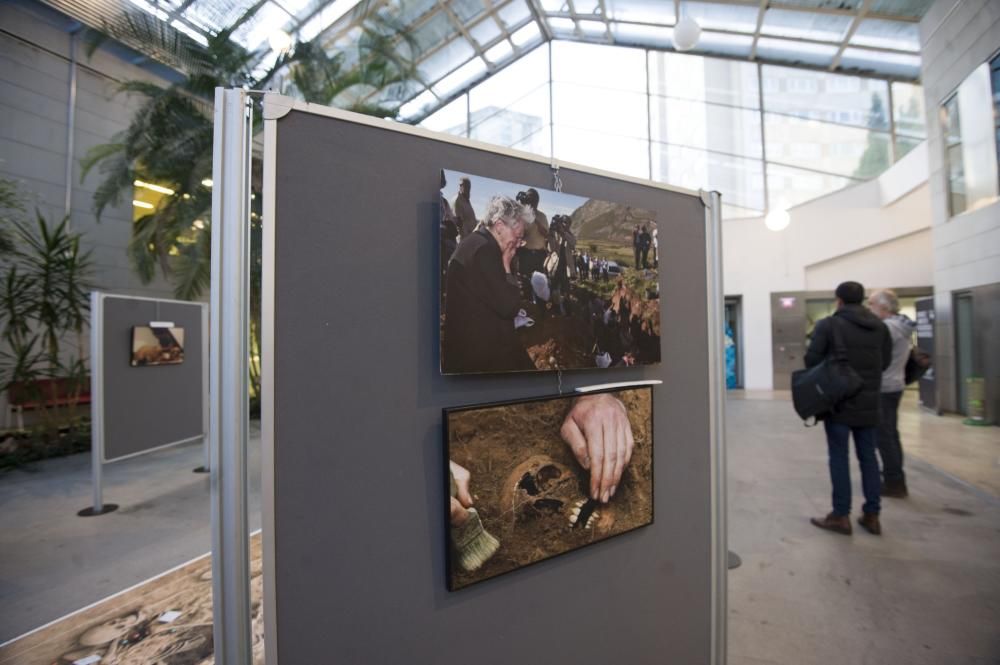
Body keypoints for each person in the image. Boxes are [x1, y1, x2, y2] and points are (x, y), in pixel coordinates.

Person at [805, 281, 891, 536]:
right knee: (869, 458)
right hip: (869, 402)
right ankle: (872, 514)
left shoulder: (829, 325)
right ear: (864, 300)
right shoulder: (880, 327)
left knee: (839, 458)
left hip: (839, 402)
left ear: (838, 300)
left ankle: (841, 515)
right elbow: (884, 362)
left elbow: (812, 360)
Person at [442, 195, 534, 374]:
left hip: (470, 345)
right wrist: (507, 265)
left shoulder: (478, 242)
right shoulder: (485, 251)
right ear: (499, 226)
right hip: (475, 360)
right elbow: (509, 307)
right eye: (517, 237)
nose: (517, 244)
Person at [868, 289, 916, 498]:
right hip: (895, 384)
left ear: (884, 307)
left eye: (871, 304)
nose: (869, 309)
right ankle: (894, 476)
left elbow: (875, 358)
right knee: (890, 434)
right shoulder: (902, 326)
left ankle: (894, 481)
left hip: (884, 386)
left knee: (884, 436)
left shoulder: (888, 328)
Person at [515, 188, 549, 279]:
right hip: (525, 254)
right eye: (528, 198)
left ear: (537, 201)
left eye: (532, 198)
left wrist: (535, 220)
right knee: (525, 282)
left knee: (538, 284)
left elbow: (546, 234)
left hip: (539, 256)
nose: (530, 201)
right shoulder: (522, 215)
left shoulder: (542, 216)